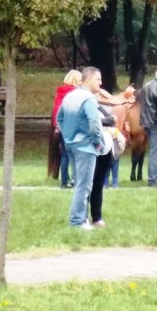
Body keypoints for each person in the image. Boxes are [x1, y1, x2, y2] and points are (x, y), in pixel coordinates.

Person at [57, 67, 104, 230]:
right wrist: (98, 140)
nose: (101, 82)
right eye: (98, 79)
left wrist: (67, 136)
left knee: (79, 183)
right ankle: (77, 221)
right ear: (89, 79)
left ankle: (81, 218)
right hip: (85, 147)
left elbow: (59, 118)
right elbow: (94, 123)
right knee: (84, 185)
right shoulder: (89, 99)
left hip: (71, 145)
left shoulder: (70, 96)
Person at [50, 70, 82, 188]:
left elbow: (56, 112)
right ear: (75, 81)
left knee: (64, 155)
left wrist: (57, 126)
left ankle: (64, 182)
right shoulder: (75, 94)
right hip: (73, 128)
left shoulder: (60, 93)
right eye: (79, 80)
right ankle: (74, 179)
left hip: (62, 128)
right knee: (75, 154)